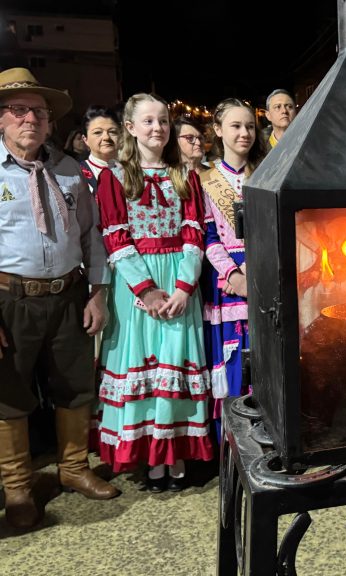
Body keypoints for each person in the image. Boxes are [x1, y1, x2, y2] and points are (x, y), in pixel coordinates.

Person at [0, 67, 120, 530]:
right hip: (11, 300)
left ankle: (73, 469)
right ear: (2, 119)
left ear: (50, 123)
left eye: (39, 111)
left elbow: (92, 236)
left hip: (69, 294)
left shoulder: (68, 170)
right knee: (9, 394)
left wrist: (97, 292)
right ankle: (17, 487)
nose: (30, 118)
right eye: (18, 110)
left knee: (74, 385)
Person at [96, 93, 213, 492]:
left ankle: (176, 452)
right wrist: (147, 292)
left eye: (163, 121)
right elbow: (116, 237)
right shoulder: (114, 177)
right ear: (129, 127)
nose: (157, 128)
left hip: (179, 277)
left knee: (174, 359)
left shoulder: (184, 175)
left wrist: (183, 289)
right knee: (143, 363)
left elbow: (194, 232)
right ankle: (149, 455)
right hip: (137, 286)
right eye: (147, 121)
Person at [199, 98, 264, 438]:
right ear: (219, 131)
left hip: (263, 271)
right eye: (236, 126)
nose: (244, 133)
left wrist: (256, 270)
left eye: (250, 126)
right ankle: (232, 438)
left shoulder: (266, 173)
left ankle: (266, 430)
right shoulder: (205, 180)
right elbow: (208, 235)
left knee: (264, 354)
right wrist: (233, 275)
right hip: (227, 281)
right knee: (232, 356)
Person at [79, 105, 121, 193]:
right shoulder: (78, 174)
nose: (106, 137)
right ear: (85, 139)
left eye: (112, 132)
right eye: (98, 132)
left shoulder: (132, 170)